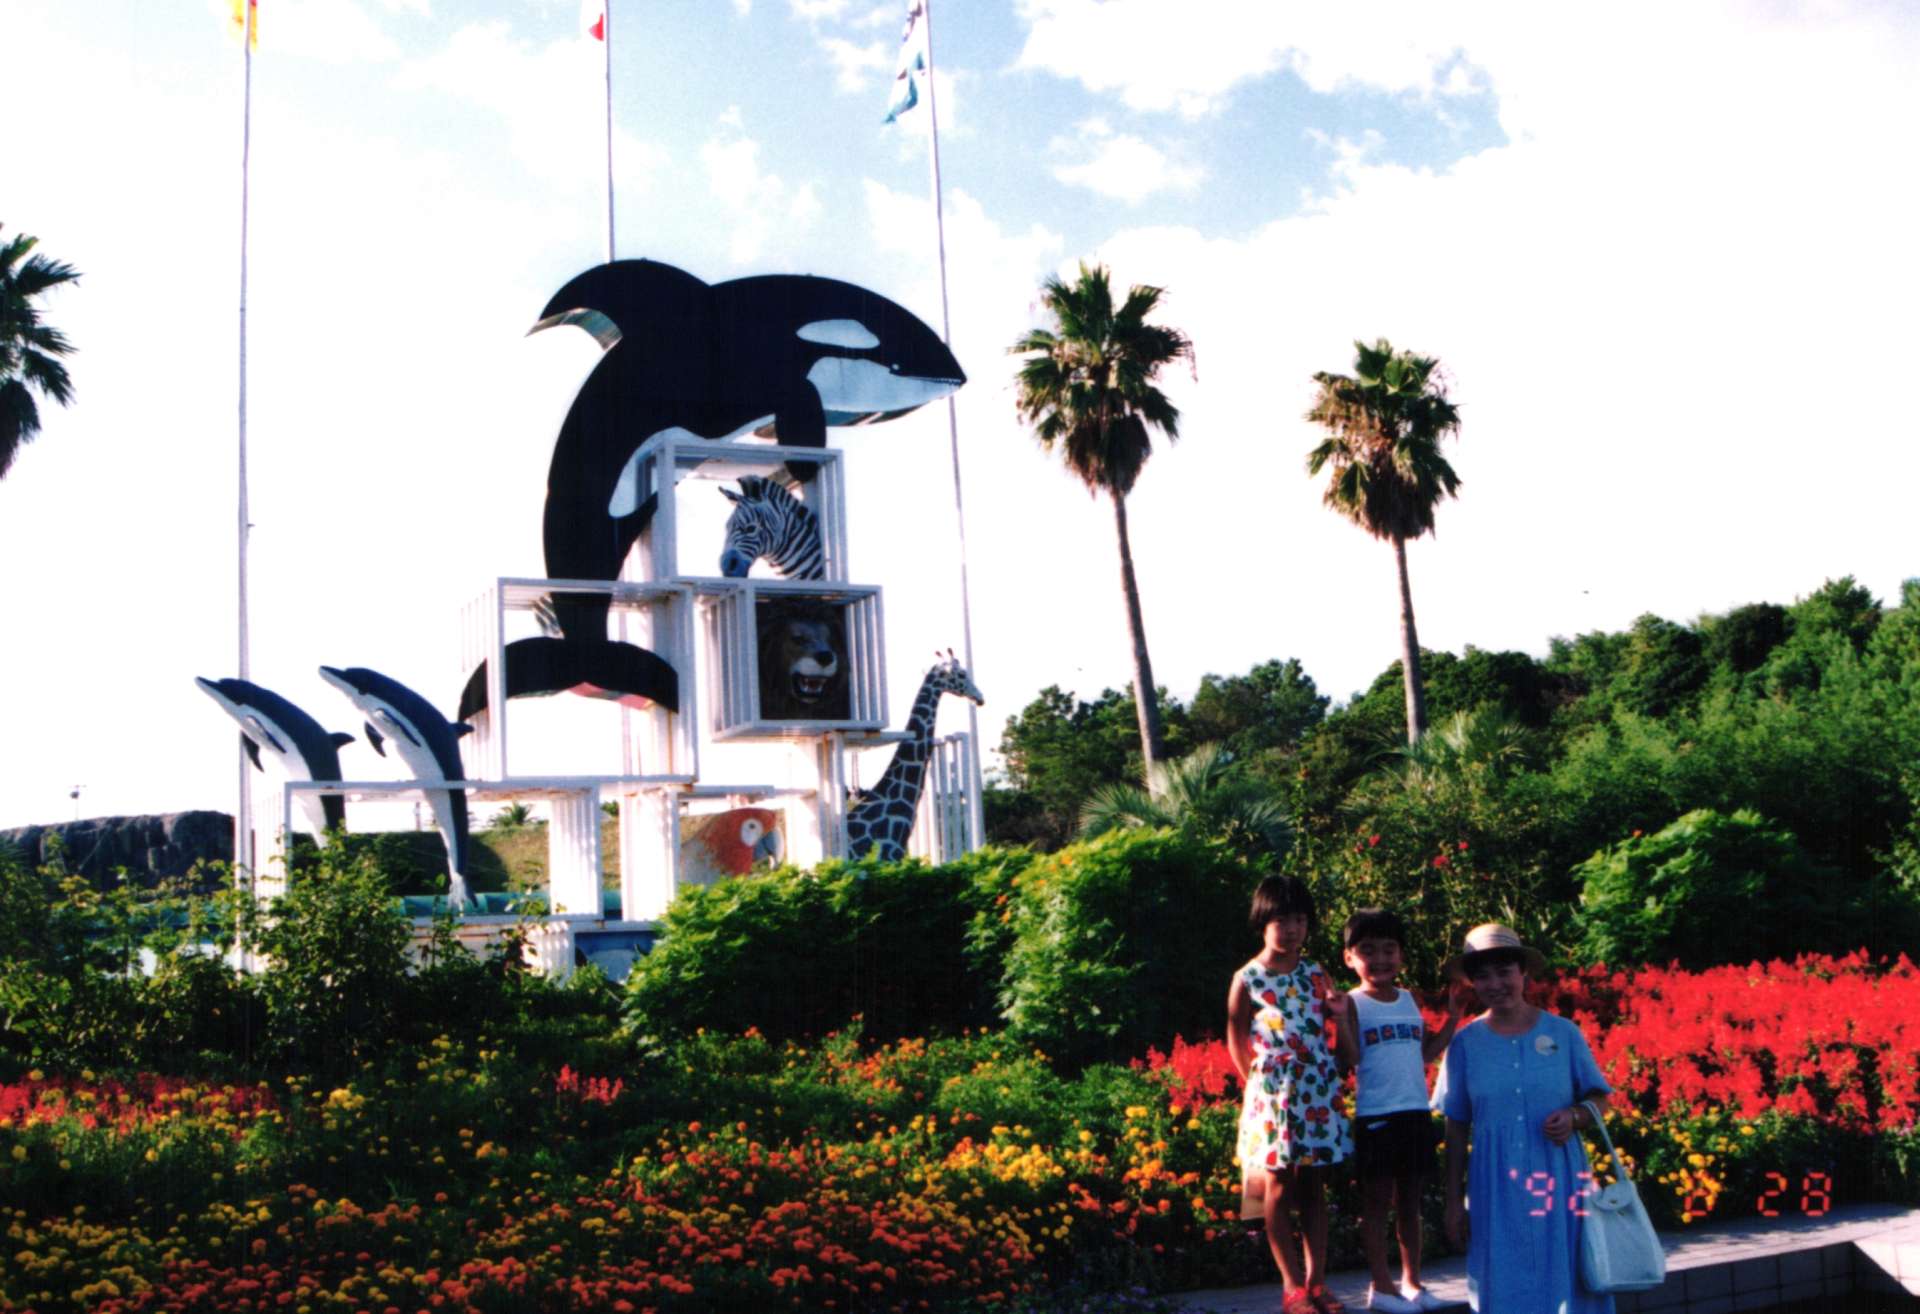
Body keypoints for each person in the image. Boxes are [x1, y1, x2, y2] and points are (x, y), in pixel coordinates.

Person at [1436, 923, 1614, 1314]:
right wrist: (1453, 1203)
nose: (1495, 984)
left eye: (1504, 972)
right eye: (1483, 976)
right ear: (1472, 983)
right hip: (1494, 1185)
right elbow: (1456, 1126)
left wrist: (1574, 1116)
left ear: (1524, 973)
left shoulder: (1563, 1033)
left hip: (1560, 1178)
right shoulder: (1464, 1044)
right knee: (1503, 1280)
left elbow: (1600, 1100)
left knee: (1568, 1275)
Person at [1227, 874, 1355, 1314]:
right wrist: (1259, 1087)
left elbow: (1332, 1024)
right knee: (1278, 1186)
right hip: (1273, 1096)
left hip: (1316, 1091)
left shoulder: (1316, 972)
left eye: (1300, 920)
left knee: (1314, 1184)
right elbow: (1236, 1037)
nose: (1293, 929)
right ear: (1262, 922)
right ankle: (1292, 1287)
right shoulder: (1247, 978)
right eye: (1282, 920)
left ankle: (1317, 1283)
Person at [1330, 909, 1467, 1313]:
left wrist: (1454, 1018)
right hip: (1377, 1116)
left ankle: (1413, 1283)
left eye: (1389, 949)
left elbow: (1424, 1054)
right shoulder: (1352, 1003)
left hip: (1415, 1113)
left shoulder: (1409, 1000)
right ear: (1349, 958)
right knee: (1376, 1205)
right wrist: (1339, 1020)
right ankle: (1381, 1287)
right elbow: (1350, 1059)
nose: (1380, 959)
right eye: (1368, 950)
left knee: (1410, 1204)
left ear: (1401, 956)